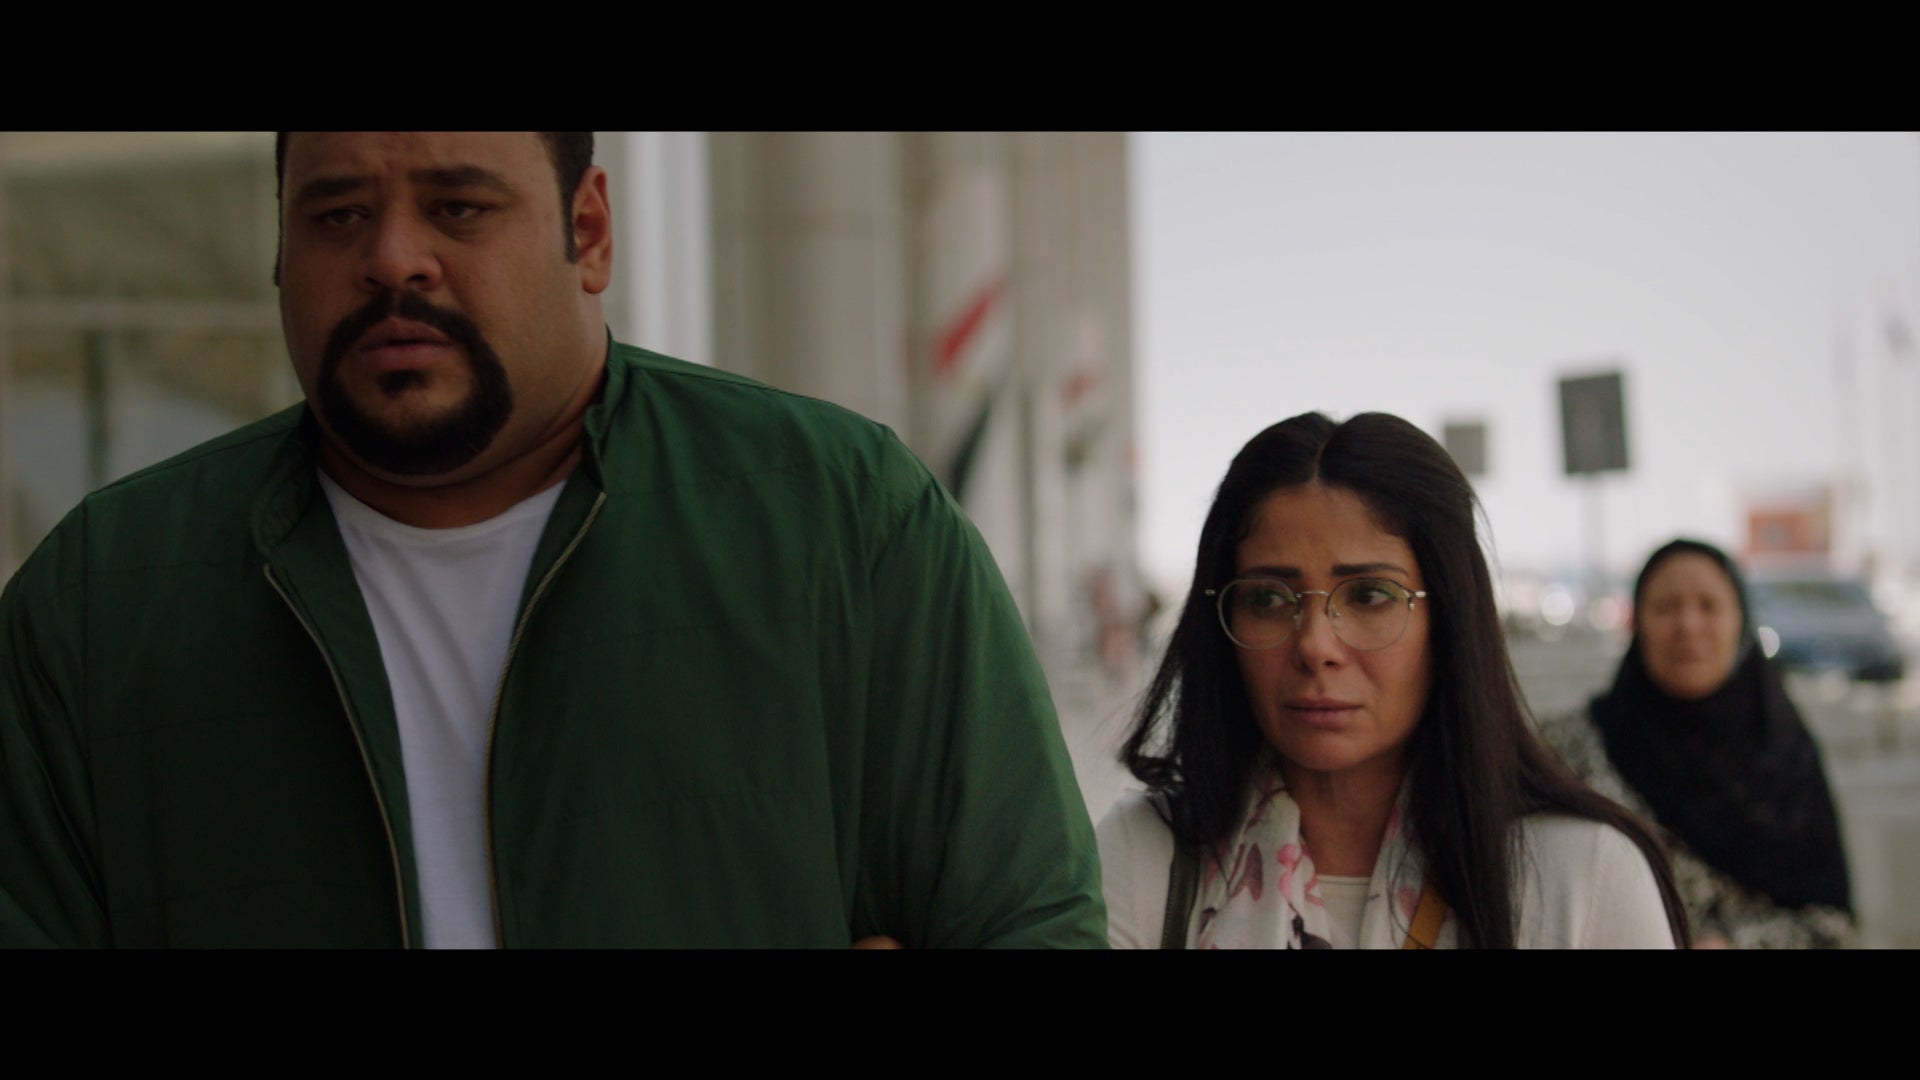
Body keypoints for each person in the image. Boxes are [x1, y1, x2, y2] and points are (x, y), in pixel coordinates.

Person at [0, 132, 1104, 948]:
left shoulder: (840, 521)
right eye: (335, 215)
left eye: (459, 207)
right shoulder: (103, 597)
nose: (394, 258)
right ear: (280, 251)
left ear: (590, 231)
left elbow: (1027, 919)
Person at [1098, 411, 1687, 948]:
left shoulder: (1582, 873)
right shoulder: (1145, 858)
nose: (1315, 645)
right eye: (1268, 598)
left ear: (1448, 618)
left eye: (1369, 595)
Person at [1536, 539, 1857, 948]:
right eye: (1665, 607)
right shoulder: (1568, 752)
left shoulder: (1786, 756)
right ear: (1637, 624)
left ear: (1741, 622)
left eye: (1709, 606)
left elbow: (1833, 926)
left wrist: (1731, 944)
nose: (1688, 625)